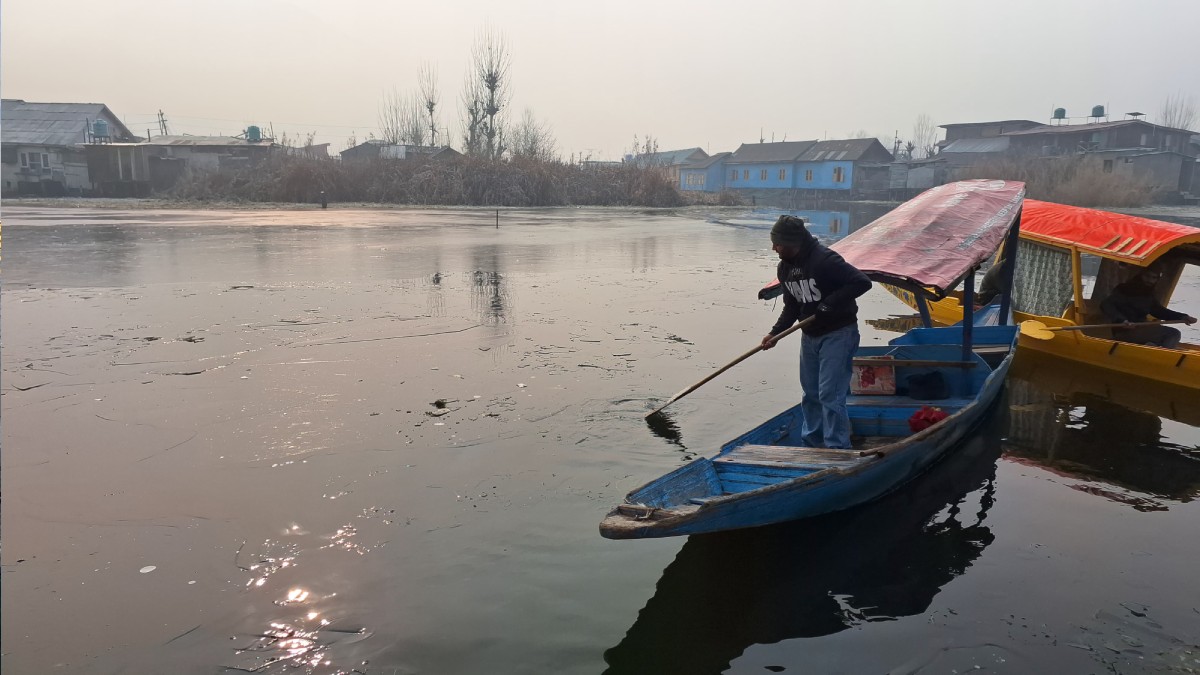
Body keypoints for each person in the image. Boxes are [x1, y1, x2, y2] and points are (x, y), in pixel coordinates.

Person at [761, 215, 872, 449]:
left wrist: (829, 304)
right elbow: (792, 306)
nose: (774, 248)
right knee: (811, 394)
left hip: (838, 333)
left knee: (830, 395)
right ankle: (812, 444)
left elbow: (861, 282)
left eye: (778, 243)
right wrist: (775, 334)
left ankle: (837, 449)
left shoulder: (824, 260)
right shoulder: (785, 268)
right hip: (809, 336)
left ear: (793, 243)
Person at [1100, 267, 1196, 349]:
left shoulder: (1148, 295)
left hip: (1141, 330)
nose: (1150, 280)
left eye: (1154, 278)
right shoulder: (1124, 289)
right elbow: (1107, 304)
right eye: (1147, 276)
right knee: (1173, 333)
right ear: (1140, 275)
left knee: (1168, 336)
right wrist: (1122, 320)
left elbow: (1159, 311)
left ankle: (1155, 347)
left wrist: (1183, 317)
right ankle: (1160, 355)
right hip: (1125, 331)